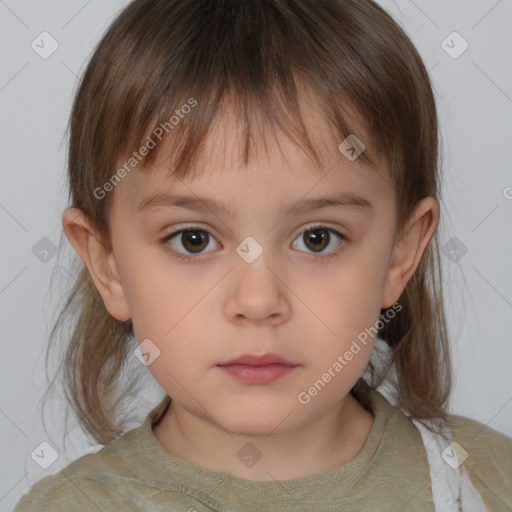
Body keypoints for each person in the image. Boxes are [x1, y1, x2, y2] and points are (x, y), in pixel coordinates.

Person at [14, 0, 511, 510]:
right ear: (108, 265)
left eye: (318, 238)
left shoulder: (492, 481)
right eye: (193, 240)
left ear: (399, 255)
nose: (257, 301)